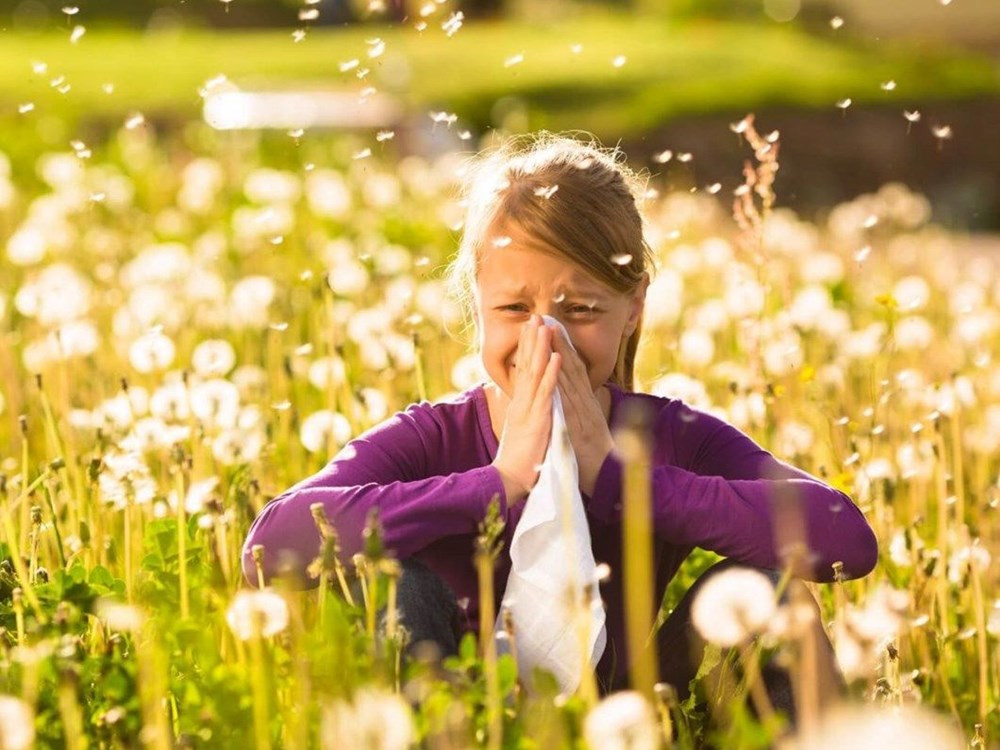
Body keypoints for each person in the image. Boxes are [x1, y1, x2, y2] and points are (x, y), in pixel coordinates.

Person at [241, 133, 878, 710]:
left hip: (634, 713)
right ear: (478, 305)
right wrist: (499, 482)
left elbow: (846, 539)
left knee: (770, 592)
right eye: (515, 307)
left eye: (579, 309)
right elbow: (269, 548)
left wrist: (622, 480)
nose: (545, 338)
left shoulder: (669, 437)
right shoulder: (435, 436)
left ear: (633, 309)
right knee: (394, 585)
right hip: (456, 710)